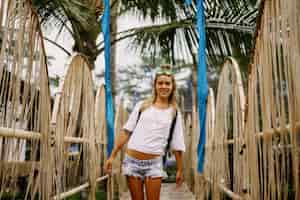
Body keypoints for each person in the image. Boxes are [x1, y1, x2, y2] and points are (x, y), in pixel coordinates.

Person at [104, 64, 186, 200]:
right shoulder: (142, 106)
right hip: (132, 161)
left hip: (154, 164)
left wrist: (180, 169)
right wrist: (112, 156)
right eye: (160, 83)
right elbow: (126, 132)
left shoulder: (174, 113)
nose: (164, 86)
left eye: (167, 83)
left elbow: (177, 143)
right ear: (155, 86)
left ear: (172, 87)